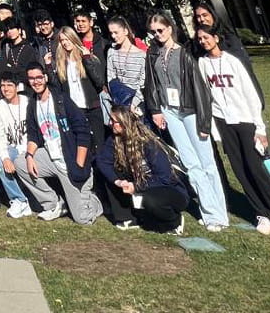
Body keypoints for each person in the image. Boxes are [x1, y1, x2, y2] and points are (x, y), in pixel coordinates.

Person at [195, 26, 270, 235]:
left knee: (256, 168)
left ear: (216, 38)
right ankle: (261, 214)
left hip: (245, 121)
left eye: (206, 37)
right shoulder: (202, 63)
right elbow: (207, 96)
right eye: (199, 39)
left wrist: (259, 128)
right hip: (224, 123)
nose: (203, 41)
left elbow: (250, 95)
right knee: (240, 171)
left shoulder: (233, 61)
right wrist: (216, 129)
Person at [143, 14, 229, 231]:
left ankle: (219, 212)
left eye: (160, 30)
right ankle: (210, 211)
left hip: (191, 111)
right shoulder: (153, 53)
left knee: (207, 162)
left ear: (170, 28)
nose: (157, 35)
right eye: (153, 32)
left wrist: (204, 123)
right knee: (191, 163)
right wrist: (156, 110)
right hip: (169, 112)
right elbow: (151, 84)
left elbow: (200, 89)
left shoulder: (185, 53)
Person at [15, 64, 102, 224]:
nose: (36, 82)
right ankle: (53, 204)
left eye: (39, 77)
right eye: (32, 79)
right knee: (20, 163)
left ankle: (93, 199)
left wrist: (79, 165)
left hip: (71, 160)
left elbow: (82, 132)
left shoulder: (62, 99)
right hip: (50, 156)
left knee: (82, 219)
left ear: (46, 77)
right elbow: (33, 134)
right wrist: (29, 156)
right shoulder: (33, 103)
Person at [96, 106, 189, 234]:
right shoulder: (114, 140)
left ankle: (174, 221)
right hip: (142, 184)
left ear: (124, 123)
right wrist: (117, 181)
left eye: (114, 121)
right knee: (110, 174)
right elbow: (102, 161)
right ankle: (127, 217)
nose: (110, 123)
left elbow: (164, 178)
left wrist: (136, 186)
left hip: (169, 189)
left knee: (149, 200)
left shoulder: (148, 143)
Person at [192, 3, 265, 108]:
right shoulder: (198, 44)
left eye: (205, 15)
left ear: (212, 15)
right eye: (198, 17)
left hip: (241, 97)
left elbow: (245, 69)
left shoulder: (229, 39)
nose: (202, 19)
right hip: (219, 102)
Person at [0, 73, 33, 218]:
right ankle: (19, 200)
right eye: (2, 86)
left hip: (30, 148)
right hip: (12, 148)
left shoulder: (28, 102)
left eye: (9, 85)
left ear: (17, 87)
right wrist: (5, 157)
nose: (5, 89)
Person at [106, 16, 147, 114]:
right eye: (111, 33)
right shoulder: (111, 52)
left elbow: (142, 83)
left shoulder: (141, 55)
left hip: (136, 104)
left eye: (116, 32)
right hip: (119, 102)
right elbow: (111, 78)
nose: (113, 36)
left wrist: (133, 104)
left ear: (125, 31)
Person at [0, 18, 36, 89]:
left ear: (19, 30)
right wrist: (18, 70)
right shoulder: (7, 47)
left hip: (26, 88)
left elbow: (28, 72)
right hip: (11, 87)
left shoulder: (28, 48)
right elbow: (3, 69)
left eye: (12, 28)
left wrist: (11, 68)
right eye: (7, 30)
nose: (9, 31)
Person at [72, 10, 110, 78]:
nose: (80, 24)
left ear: (91, 22)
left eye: (83, 21)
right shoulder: (75, 44)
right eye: (78, 21)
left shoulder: (103, 43)